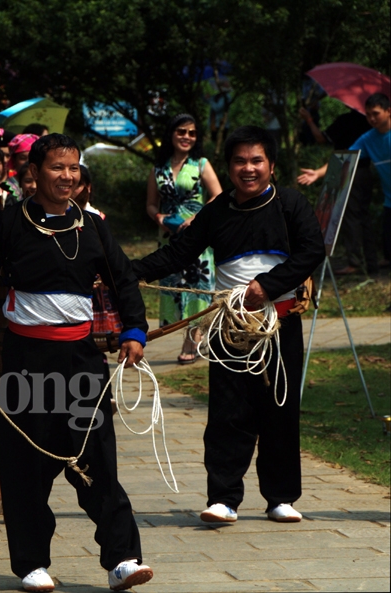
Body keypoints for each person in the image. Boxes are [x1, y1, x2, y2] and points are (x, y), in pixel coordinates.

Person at [0, 134, 154, 593]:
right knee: (24, 465)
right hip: (25, 362)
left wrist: (135, 332)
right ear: (35, 173)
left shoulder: (94, 226)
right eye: (58, 168)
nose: (68, 176)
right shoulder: (10, 225)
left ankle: (122, 558)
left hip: (82, 361)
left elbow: (124, 282)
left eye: (74, 168)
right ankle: (31, 564)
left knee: (98, 459)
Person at [134, 125, 324, 526]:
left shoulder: (291, 204)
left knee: (280, 410)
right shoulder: (217, 211)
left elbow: (311, 251)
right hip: (229, 328)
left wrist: (267, 287)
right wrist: (128, 272)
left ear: (272, 165)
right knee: (227, 411)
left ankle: (280, 498)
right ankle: (223, 498)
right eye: (240, 161)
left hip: (279, 326)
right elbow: (178, 254)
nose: (248, 168)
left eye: (257, 160)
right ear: (229, 166)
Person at [145, 114, 223, 364]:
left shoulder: (201, 164)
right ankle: (193, 336)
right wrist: (158, 217)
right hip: (169, 237)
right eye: (181, 131)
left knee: (197, 286)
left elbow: (217, 195)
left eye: (191, 133)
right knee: (174, 287)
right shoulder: (158, 168)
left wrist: (196, 218)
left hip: (198, 236)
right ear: (171, 134)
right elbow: (150, 204)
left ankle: (194, 338)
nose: (186, 137)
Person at [299, 93, 391, 270]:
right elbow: (345, 158)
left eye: (376, 113)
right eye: (369, 114)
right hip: (389, 201)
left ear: (388, 111)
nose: (371, 118)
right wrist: (317, 173)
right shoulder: (368, 138)